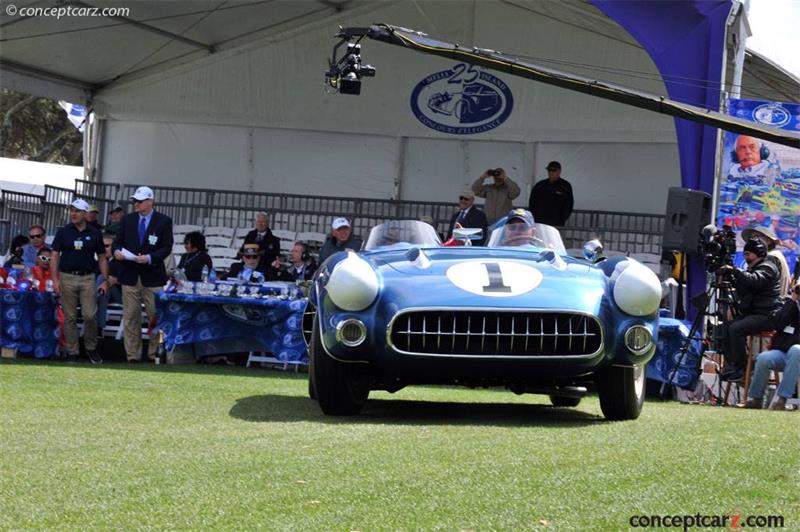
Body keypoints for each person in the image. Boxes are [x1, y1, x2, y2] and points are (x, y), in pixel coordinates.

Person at [112, 186, 174, 363]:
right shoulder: (128, 220)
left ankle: (154, 353)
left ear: (150, 201)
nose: (136, 204)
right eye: (135, 201)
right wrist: (117, 252)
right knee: (131, 316)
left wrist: (149, 258)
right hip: (130, 275)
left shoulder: (163, 221)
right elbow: (117, 242)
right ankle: (133, 356)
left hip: (152, 276)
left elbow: (166, 247)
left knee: (155, 315)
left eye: (139, 201)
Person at [50, 199, 108, 364]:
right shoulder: (63, 232)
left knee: (90, 315)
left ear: (85, 213)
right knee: (70, 317)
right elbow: (55, 255)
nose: (73, 214)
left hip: (88, 278)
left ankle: (91, 348)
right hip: (67, 276)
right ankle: (72, 352)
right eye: (72, 210)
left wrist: (104, 280)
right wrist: (55, 279)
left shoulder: (95, 233)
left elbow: (102, 258)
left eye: (77, 211)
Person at [718, 238, 783, 382]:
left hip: (768, 315)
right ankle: (733, 366)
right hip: (754, 314)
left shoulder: (768, 267)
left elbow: (754, 280)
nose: (746, 258)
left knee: (735, 328)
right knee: (723, 328)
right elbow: (745, 288)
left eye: (748, 254)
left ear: (758, 254)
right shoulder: (752, 269)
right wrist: (733, 278)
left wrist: (735, 271)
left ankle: (742, 368)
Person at [742, 283, 800, 410]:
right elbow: (777, 323)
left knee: (796, 350)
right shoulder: (787, 303)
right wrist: (793, 301)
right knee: (764, 358)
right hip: (784, 353)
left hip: (797, 354)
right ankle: (756, 399)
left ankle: (782, 399)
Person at [742, 226, 791, 294]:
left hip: (771, 303)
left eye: (757, 236)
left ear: (768, 240)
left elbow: (757, 283)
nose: (754, 240)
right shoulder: (774, 254)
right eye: (752, 238)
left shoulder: (771, 257)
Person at [528, 161, 574, 226]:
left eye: (554, 170)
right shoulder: (540, 185)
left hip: (557, 223)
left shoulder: (565, 186)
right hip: (540, 222)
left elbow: (569, 205)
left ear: (559, 171)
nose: (551, 172)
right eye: (549, 170)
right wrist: (535, 218)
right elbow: (532, 203)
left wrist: (561, 220)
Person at [96, 235, 122, 332]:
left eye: (107, 246)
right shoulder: (98, 261)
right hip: (105, 294)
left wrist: (115, 280)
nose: (104, 249)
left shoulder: (121, 262)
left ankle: (92, 299)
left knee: (102, 278)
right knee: (103, 292)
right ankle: (99, 327)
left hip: (120, 295)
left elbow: (130, 280)